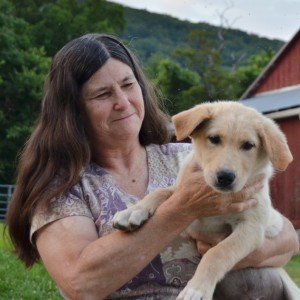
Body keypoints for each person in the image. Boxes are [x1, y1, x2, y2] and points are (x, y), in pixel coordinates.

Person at [6, 33, 299, 300]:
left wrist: (225, 256)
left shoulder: (193, 157)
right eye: (103, 94)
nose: (123, 102)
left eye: (127, 84)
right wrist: (182, 209)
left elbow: (285, 240)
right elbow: (82, 284)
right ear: (73, 110)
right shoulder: (61, 187)